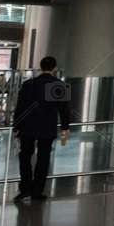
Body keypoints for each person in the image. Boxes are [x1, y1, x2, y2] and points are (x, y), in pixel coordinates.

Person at [12, 56, 71, 203]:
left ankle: (25, 188)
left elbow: (20, 107)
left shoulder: (29, 84)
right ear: (54, 68)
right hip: (47, 127)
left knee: (25, 156)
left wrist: (17, 126)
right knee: (43, 158)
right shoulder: (58, 85)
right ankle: (37, 191)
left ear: (41, 67)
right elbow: (64, 109)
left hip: (28, 126)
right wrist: (65, 127)